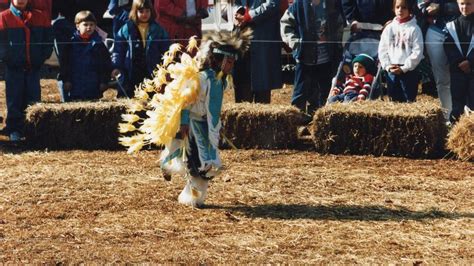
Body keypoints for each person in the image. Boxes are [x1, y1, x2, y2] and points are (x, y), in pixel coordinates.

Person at [118, 29, 252, 207]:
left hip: (206, 128)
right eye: (229, 61)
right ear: (218, 60)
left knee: (206, 166)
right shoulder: (201, 79)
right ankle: (188, 192)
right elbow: (186, 102)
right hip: (193, 125)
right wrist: (183, 122)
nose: (231, 65)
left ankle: (190, 193)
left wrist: (216, 125)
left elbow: (213, 108)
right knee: (199, 165)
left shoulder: (221, 81)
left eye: (233, 62)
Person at [0, 0, 53, 141]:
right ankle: (14, 129)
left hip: (33, 67)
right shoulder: (3, 17)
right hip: (13, 68)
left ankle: (33, 130)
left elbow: (48, 40)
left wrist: (41, 57)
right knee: (14, 98)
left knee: (34, 98)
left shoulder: (41, 16)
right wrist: (8, 59)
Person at [281, 0, 344, 118]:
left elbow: (340, 24)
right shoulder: (298, 6)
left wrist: (335, 41)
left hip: (326, 59)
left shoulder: (332, 4)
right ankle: (297, 123)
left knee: (325, 92)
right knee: (300, 93)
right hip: (305, 58)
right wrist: (297, 44)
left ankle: (321, 122)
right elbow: (286, 25)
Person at [112, 0, 170, 97]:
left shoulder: (158, 30)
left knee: (151, 97)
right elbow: (118, 51)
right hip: (131, 71)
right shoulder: (126, 29)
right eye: (141, 11)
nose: (144, 14)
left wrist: (167, 67)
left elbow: (166, 50)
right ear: (135, 12)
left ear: (152, 11)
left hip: (151, 70)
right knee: (131, 97)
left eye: (147, 11)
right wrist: (116, 66)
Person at [233, 0, 282, 104]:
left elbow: (273, 4)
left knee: (262, 91)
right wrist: (237, 12)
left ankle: (262, 119)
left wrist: (249, 16)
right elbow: (230, 4)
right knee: (242, 88)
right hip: (242, 42)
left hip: (262, 40)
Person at [419, 0, 460, 120]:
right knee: (442, 80)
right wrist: (425, 8)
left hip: (462, 30)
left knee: (464, 78)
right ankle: (447, 118)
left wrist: (441, 7)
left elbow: (467, 4)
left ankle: (465, 116)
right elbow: (417, 5)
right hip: (436, 32)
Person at [59, 11, 111, 101]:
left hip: (94, 87)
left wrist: (104, 81)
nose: (89, 27)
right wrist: (66, 80)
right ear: (77, 26)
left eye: (91, 25)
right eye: (85, 24)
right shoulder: (70, 44)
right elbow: (65, 64)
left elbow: (105, 65)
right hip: (75, 86)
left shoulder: (99, 45)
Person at [378, 0, 424, 102]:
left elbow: (417, 52)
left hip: (409, 71)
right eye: (397, 7)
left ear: (410, 9)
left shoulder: (415, 29)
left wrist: (404, 68)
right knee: (394, 100)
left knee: (409, 100)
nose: (400, 10)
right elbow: (382, 50)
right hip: (392, 70)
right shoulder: (389, 28)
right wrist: (388, 66)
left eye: (404, 7)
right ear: (393, 9)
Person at [444, 0, 474, 122]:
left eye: (469, 3)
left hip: (473, 70)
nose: (465, 7)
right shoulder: (451, 26)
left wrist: (470, 62)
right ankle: (455, 129)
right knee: (457, 102)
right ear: (457, 4)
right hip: (457, 70)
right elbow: (448, 46)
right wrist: (459, 62)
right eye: (462, 3)